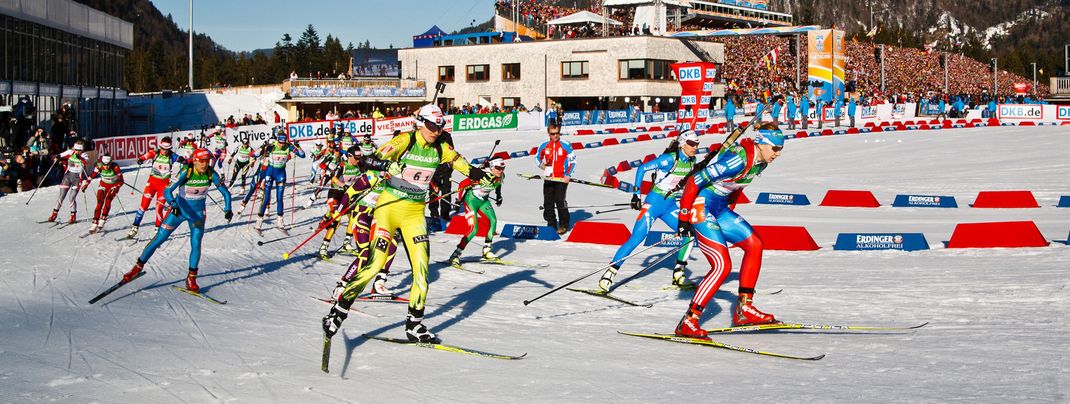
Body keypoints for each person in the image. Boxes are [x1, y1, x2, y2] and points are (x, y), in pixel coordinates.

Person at [322, 104, 492, 344]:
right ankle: (338, 311)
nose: (436, 131)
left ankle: (414, 325)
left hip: (414, 214)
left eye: (440, 126)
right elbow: (368, 161)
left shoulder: (440, 147)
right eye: (432, 126)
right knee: (374, 264)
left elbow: (458, 162)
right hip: (389, 209)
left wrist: (475, 173)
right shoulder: (405, 141)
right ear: (420, 123)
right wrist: (386, 165)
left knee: (422, 270)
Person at [672, 123, 786, 338]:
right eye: (775, 148)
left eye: (780, 149)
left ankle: (744, 309)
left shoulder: (761, 162)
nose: (777, 154)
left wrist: (728, 212)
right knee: (722, 265)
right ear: (761, 144)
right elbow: (695, 181)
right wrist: (684, 217)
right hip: (701, 205)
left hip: (719, 208)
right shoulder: (739, 159)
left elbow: (735, 187)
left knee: (755, 245)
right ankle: (688, 321)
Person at [121, 149, 233, 293]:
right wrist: (173, 204)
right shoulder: (186, 172)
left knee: (196, 243)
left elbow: (225, 193)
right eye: (202, 161)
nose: (205, 164)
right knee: (159, 238)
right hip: (179, 211)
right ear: (195, 160)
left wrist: (228, 209)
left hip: (197, 215)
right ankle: (137, 268)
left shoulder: (211, 174)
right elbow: (168, 191)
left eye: (207, 161)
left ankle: (191, 278)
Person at [599, 131, 700, 291]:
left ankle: (678, 274)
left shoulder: (692, 161)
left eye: (697, 144)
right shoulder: (669, 159)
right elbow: (642, 169)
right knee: (637, 237)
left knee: (688, 234)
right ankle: (609, 273)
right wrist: (636, 194)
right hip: (654, 203)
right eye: (692, 144)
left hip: (670, 206)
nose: (695, 147)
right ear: (682, 144)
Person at [446, 158, 506, 266]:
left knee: (493, 221)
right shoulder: (481, 175)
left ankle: (486, 251)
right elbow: (462, 184)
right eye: (498, 168)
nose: (500, 170)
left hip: (483, 201)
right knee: (474, 230)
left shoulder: (501, 176)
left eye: (503, 168)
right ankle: (455, 255)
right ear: (492, 167)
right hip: (471, 201)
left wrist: (498, 196)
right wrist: (459, 200)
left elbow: (498, 184)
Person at [128, 137, 182, 238]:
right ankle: (134, 228)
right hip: (152, 183)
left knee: (159, 208)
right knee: (143, 206)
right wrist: (140, 160)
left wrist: (184, 161)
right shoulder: (154, 153)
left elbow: (183, 160)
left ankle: (157, 231)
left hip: (164, 185)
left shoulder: (172, 156)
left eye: (167, 149)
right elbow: (143, 157)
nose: (165, 151)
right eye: (163, 148)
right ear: (160, 147)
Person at [317, 146, 363, 258]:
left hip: (347, 196)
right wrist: (344, 186)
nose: (358, 160)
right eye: (356, 158)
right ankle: (324, 247)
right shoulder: (342, 166)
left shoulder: (358, 167)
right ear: (349, 156)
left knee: (353, 218)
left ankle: (347, 243)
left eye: (359, 158)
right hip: (335, 194)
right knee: (336, 221)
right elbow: (334, 179)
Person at [255, 129, 305, 231]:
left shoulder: (288, 146)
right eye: (280, 142)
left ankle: (280, 220)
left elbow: (302, 155)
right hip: (270, 172)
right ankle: (259, 220)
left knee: (279, 197)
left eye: (283, 142)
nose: (282, 145)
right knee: (266, 196)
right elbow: (255, 155)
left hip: (281, 174)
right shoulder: (272, 145)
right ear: (277, 140)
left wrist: (298, 146)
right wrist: (262, 147)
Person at [536, 123, 575, 235]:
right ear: (549, 133)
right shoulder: (544, 145)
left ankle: (563, 225)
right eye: (553, 133)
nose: (556, 136)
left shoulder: (565, 145)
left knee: (559, 200)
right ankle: (551, 224)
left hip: (561, 178)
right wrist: (541, 165)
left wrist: (568, 174)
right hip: (549, 177)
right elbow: (537, 157)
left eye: (557, 133)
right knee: (548, 202)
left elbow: (572, 161)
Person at [80, 153, 125, 233]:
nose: (106, 166)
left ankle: (103, 218)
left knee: (108, 200)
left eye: (108, 164)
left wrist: (117, 186)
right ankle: (95, 222)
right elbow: (92, 175)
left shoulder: (115, 167)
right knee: (99, 202)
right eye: (104, 164)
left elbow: (121, 180)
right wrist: (86, 184)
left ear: (111, 162)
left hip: (113, 185)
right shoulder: (99, 166)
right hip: (103, 184)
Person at [46, 140, 89, 223]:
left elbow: (86, 162)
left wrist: (80, 158)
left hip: (77, 178)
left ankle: (73, 215)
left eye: (79, 150)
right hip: (68, 176)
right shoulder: (70, 152)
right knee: (61, 196)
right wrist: (57, 157)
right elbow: (60, 155)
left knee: (71, 197)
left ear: (82, 150)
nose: (76, 151)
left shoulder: (84, 155)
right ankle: (54, 214)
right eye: (75, 149)